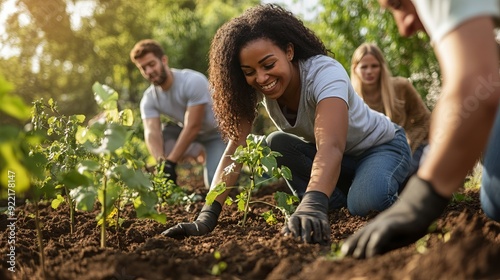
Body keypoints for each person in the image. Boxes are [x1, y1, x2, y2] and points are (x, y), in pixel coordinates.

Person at [162, 4, 411, 244]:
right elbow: (234, 150)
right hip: (341, 160)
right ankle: (333, 203)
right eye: (249, 71)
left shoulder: (324, 73)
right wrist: (207, 216)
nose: (261, 77)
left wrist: (312, 202)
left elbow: (331, 145)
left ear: (289, 52)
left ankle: (402, 186)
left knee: (365, 204)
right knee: (276, 143)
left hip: (381, 147)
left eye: (269, 65)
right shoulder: (254, 87)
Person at [342, 0, 500, 258]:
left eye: (397, 4)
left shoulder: (400, 86)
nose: (404, 28)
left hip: (410, 149)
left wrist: (421, 199)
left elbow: (476, 86)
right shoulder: (351, 99)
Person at [130, 39, 226, 188]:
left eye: (151, 64)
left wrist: (172, 161)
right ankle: (194, 155)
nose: (148, 71)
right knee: (165, 134)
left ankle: (226, 162)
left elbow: (193, 126)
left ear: (163, 60)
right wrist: (163, 166)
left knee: (216, 185)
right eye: (143, 68)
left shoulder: (193, 81)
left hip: (216, 134)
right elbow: (151, 132)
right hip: (191, 137)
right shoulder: (149, 98)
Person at [351, 42, 431, 178]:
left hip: (406, 148)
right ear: (355, 69)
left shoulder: (401, 86)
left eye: (374, 66)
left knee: (403, 178)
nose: (369, 71)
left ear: (382, 67)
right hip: (371, 156)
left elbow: (424, 119)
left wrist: (409, 143)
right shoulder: (350, 96)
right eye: (364, 67)